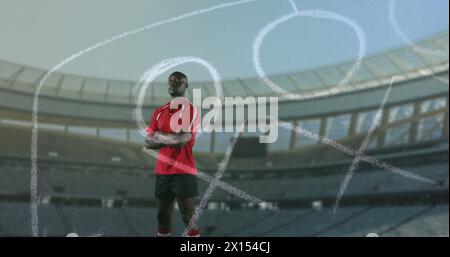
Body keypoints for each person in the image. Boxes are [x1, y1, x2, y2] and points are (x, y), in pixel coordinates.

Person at [144, 71, 200, 237]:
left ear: (186, 86)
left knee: (188, 217)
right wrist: (170, 138)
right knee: (162, 217)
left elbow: (182, 139)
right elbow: (147, 142)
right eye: (171, 80)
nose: (173, 83)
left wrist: (159, 136)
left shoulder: (191, 110)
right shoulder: (159, 111)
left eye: (178, 81)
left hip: (183, 171)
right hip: (162, 172)